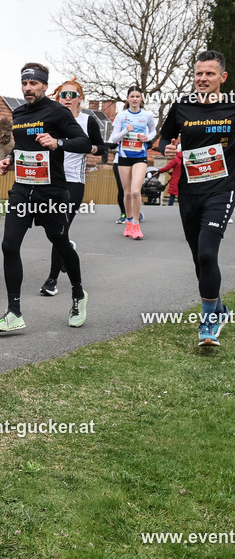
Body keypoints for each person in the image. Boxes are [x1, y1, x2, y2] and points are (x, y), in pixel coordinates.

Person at [0, 62, 91, 333]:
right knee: (9, 246)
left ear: (45, 86)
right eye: (24, 83)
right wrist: (9, 161)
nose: (27, 88)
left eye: (33, 83)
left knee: (60, 243)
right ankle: (14, 311)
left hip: (52, 192)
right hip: (23, 190)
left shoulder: (58, 112)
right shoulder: (19, 113)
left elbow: (84, 143)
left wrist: (58, 142)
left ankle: (78, 294)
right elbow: (20, 148)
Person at [159, 50, 235, 346]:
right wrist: (166, 148)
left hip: (222, 188)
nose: (203, 79)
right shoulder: (182, 107)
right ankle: (218, 308)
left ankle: (208, 323)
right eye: (199, 73)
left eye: (209, 74)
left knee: (207, 253)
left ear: (222, 78)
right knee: (198, 258)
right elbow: (165, 137)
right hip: (189, 192)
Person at [38, 78, 105, 297]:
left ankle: (52, 280)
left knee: (60, 229)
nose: (68, 99)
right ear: (57, 98)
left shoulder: (88, 121)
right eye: (63, 95)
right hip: (49, 180)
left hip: (74, 182)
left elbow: (101, 148)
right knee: (53, 232)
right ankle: (68, 252)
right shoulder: (49, 119)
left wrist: (89, 148)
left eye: (72, 95)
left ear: (80, 99)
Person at [110, 86, 156, 239]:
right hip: (124, 156)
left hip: (140, 156)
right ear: (128, 98)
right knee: (127, 192)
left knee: (136, 191)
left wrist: (147, 138)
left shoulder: (147, 115)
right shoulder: (121, 116)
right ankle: (129, 223)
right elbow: (113, 139)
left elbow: (153, 131)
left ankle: (136, 224)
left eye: (137, 96)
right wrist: (125, 131)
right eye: (132, 96)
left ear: (141, 98)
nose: (135, 99)